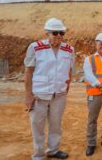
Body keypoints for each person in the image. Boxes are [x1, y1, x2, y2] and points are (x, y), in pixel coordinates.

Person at [24, 18, 74, 159]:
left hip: (59, 95)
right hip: (39, 95)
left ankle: (53, 150)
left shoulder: (69, 50)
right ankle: (39, 155)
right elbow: (28, 72)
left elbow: (69, 70)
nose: (59, 36)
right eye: (55, 32)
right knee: (37, 126)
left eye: (62, 33)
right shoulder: (35, 48)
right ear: (47, 33)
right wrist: (28, 95)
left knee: (56, 125)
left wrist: (66, 88)